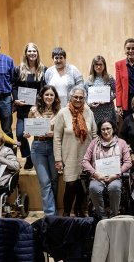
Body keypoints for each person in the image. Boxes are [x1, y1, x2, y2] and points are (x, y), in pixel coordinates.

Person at [54, 85, 97, 217]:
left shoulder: (89, 112)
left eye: (81, 97)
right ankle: (67, 213)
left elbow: (94, 134)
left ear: (84, 99)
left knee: (83, 186)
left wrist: (96, 155)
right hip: (69, 155)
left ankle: (80, 212)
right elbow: (56, 137)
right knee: (71, 185)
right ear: (70, 97)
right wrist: (58, 159)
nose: (78, 99)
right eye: (76, 97)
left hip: (86, 156)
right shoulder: (62, 113)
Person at [82, 119, 132, 218]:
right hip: (97, 176)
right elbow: (85, 161)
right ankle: (102, 216)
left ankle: (114, 216)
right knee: (93, 188)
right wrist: (95, 173)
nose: (106, 131)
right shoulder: (94, 143)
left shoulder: (121, 143)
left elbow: (128, 162)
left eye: (108, 128)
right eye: (103, 129)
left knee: (114, 187)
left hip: (115, 176)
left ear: (113, 129)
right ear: (100, 131)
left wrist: (116, 174)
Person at [25, 85, 61, 216]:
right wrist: (27, 133)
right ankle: (50, 215)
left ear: (55, 97)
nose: (49, 97)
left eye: (52, 95)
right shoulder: (33, 110)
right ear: (42, 96)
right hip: (38, 147)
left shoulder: (60, 111)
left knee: (54, 181)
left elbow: (62, 131)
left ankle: (54, 208)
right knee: (45, 182)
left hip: (54, 147)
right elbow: (28, 129)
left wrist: (54, 134)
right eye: (47, 94)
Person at [13, 42, 47, 169]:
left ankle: (40, 158)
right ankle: (28, 157)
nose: (32, 53)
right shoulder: (18, 69)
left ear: (37, 53)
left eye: (34, 51)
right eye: (29, 51)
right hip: (23, 108)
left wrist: (39, 103)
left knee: (40, 134)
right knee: (20, 134)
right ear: (26, 53)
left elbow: (45, 89)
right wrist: (16, 100)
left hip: (38, 109)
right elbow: (14, 86)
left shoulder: (43, 69)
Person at [115, 38, 134, 119]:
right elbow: (118, 86)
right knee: (129, 124)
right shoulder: (119, 64)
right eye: (128, 48)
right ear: (125, 50)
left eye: (133, 48)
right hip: (127, 101)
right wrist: (119, 105)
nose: (130, 51)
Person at [85, 55, 116, 125]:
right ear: (93, 66)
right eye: (96, 64)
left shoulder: (110, 78)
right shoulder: (89, 79)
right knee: (96, 131)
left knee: (108, 131)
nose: (98, 67)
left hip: (108, 110)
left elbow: (116, 92)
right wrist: (89, 103)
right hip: (95, 111)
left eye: (100, 64)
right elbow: (85, 95)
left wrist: (108, 99)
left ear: (104, 65)